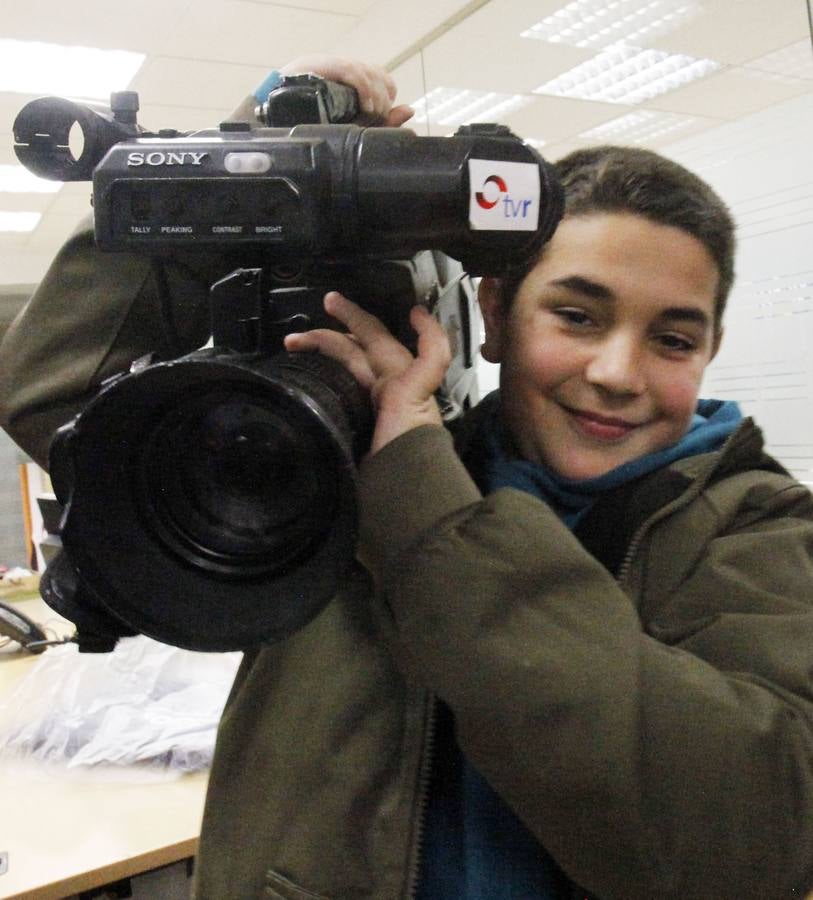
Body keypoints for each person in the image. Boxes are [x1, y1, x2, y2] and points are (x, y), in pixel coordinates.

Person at [1, 57, 813, 900]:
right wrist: (251, 169)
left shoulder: (756, 531)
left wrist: (425, 515)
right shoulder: (326, 470)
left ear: (709, 352)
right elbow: (66, 405)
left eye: (672, 339)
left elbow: (745, 845)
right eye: (575, 316)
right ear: (495, 317)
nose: (616, 372)